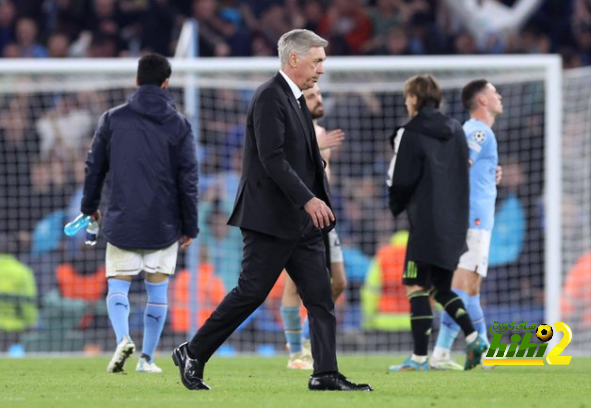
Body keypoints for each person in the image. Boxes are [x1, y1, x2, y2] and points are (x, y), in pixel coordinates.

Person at [171, 29, 372, 392]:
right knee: (251, 293)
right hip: (270, 219)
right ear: (294, 60)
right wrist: (308, 199)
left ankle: (325, 373)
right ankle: (193, 352)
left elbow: (304, 160)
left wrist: (319, 202)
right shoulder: (268, 97)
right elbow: (272, 158)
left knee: (321, 297)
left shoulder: (294, 100)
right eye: (317, 61)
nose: (322, 69)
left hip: (301, 222)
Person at [80, 54, 198, 374]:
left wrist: (89, 207)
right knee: (156, 289)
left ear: (136, 81)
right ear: (166, 84)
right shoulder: (179, 124)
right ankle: (147, 359)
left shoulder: (112, 118)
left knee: (118, 284)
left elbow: (94, 168)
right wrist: (191, 225)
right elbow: (188, 178)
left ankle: (122, 340)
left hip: (122, 218)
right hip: (165, 222)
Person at [386, 75, 488, 372]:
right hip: (455, 222)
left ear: (415, 99)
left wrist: (396, 203)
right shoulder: (456, 129)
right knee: (440, 289)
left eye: (407, 98)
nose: (407, 103)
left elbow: (401, 178)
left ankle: (418, 359)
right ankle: (474, 337)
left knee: (417, 286)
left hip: (426, 223)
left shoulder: (410, 131)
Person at [431, 79, 503, 370]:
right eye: (494, 92)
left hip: (472, 217)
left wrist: (490, 173)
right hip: (471, 218)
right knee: (464, 286)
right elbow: (459, 163)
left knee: (469, 288)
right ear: (482, 100)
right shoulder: (479, 130)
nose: (499, 96)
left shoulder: (476, 131)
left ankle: (445, 353)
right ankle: (477, 349)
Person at [280, 83, 347, 370]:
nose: (318, 99)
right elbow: (285, 164)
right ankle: (296, 352)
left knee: (339, 282)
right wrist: (317, 147)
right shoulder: (294, 133)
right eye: (311, 96)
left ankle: (305, 338)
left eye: (319, 95)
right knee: (295, 284)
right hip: (301, 216)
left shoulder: (321, 134)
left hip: (325, 217)